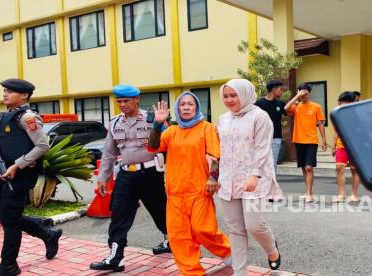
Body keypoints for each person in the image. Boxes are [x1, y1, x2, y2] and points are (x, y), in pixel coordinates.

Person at [0, 78, 62, 276]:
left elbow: (43, 146)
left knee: (10, 221)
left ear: (24, 95)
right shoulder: (3, 117)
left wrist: (17, 165)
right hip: (3, 173)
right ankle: (46, 233)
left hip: (19, 175)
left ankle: (9, 265)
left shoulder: (27, 118)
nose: (5, 94)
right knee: (3, 214)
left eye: (10, 91)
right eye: (4, 91)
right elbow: (6, 145)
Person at [89, 85, 170, 273]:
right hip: (125, 175)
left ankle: (170, 240)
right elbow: (108, 153)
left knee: (160, 210)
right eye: (119, 101)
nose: (122, 104)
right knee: (119, 214)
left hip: (150, 174)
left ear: (137, 99)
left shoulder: (153, 119)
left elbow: (168, 146)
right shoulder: (115, 123)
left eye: (126, 101)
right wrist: (103, 178)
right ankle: (115, 257)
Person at [149, 91, 231, 276]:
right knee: (179, 237)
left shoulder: (206, 128)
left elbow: (216, 154)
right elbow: (153, 147)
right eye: (182, 104)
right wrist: (156, 124)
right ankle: (191, 272)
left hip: (199, 190)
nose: (186, 107)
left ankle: (229, 252)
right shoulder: (171, 131)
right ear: (177, 109)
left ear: (197, 107)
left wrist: (213, 177)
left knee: (204, 229)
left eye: (190, 104)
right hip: (175, 194)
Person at [217, 79, 283, 276]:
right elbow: (218, 149)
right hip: (228, 180)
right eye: (226, 96)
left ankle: (272, 250)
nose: (229, 100)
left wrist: (254, 175)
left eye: (233, 95)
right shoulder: (223, 119)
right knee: (236, 230)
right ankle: (240, 273)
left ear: (245, 94)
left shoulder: (260, 117)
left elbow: (263, 149)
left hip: (254, 180)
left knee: (255, 225)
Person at [284, 83, 327, 202]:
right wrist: (297, 96)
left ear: (309, 93)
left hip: (311, 140)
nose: (304, 95)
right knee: (304, 167)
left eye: (306, 93)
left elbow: (321, 124)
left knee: (309, 167)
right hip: (298, 140)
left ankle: (308, 194)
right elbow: (286, 108)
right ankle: (309, 192)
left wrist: (324, 140)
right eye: (302, 93)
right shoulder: (296, 106)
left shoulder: (316, 107)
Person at [332, 92, 360, 203]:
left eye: (346, 103)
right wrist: (333, 146)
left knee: (355, 170)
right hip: (341, 145)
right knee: (339, 168)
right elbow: (336, 132)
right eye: (341, 102)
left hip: (355, 146)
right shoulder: (337, 115)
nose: (342, 104)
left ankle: (354, 194)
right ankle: (341, 194)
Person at [255, 80, 289, 172]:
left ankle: (272, 185)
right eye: (280, 89)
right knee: (261, 163)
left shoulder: (280, 104)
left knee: (273, 163)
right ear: (273, 89)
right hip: (261, 138)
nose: (281, 91)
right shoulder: (259, 104)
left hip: (276, 137)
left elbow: (289, 113)